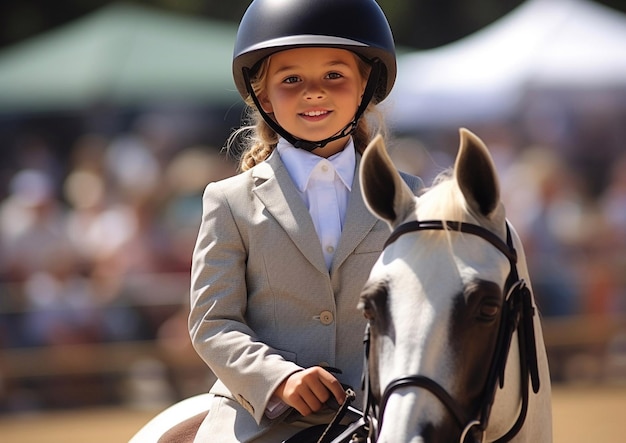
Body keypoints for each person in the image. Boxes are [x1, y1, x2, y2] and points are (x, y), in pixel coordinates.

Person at [188, 0, 423, 441]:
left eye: (334, 75)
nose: (313, 92)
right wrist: (281, 379)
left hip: (383, 410)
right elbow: (212, 322)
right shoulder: (228, 201)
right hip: (260, 415)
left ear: (364, 88)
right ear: (264, 96)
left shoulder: (412, 198)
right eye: (291, 79)